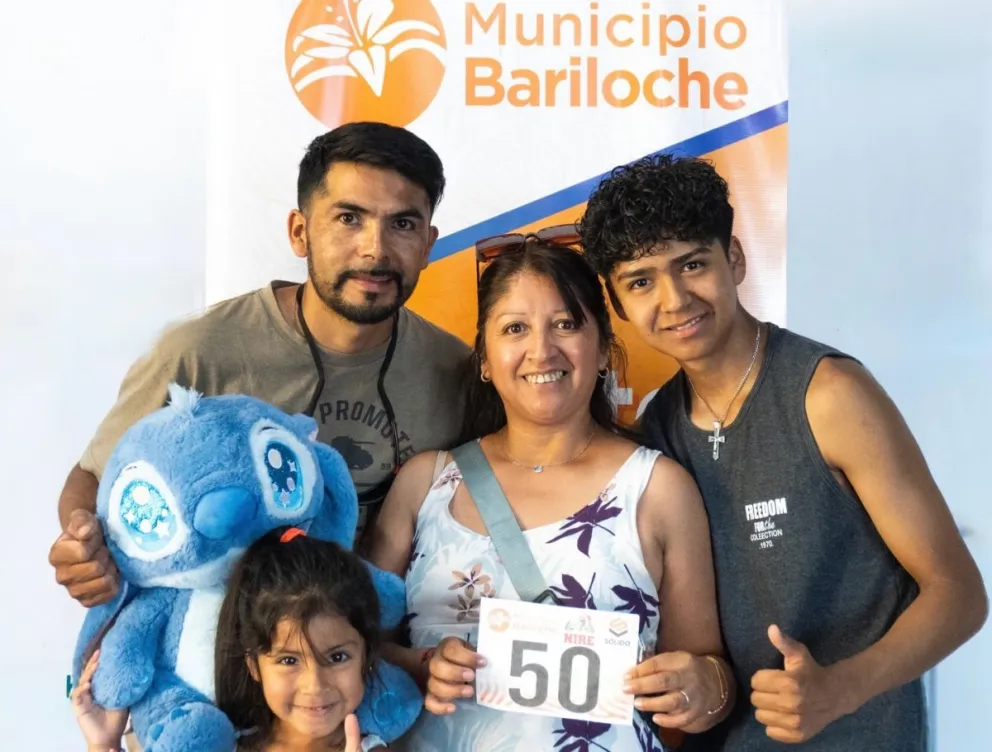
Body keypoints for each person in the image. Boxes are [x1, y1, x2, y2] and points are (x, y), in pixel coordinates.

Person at [578, 153, 989, 750]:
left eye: (692, 264)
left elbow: (959, 595)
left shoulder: (829, 395)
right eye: (640, 281)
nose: (673, 299)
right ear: (617, 304)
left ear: (735, 260)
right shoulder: (655, 426)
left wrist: (841, 688)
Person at [49, 121, 472, 609]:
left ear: (429, 243)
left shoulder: (454, 368)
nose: (375, 249)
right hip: (220, 647)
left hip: (375, 645)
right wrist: (84, 545)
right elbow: (95, 476)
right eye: (349, 218)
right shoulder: (201, 350)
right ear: (299, 232)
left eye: (402, 223)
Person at [369, 235, 735, 751]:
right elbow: (353, 646)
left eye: (566, 324)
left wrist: (701, 690)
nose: (541, 350)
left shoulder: (657, 489)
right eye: (515, 328)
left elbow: (711, 672)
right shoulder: (426, 484)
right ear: (484, 359)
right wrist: (418, 665)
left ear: (604, 349)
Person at [71, 526, 388, 752]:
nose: (315, 685)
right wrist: (102, 743)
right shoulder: (226, 742)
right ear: (254, 665)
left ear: (366, 654)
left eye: (337, 657)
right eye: (289, 660)